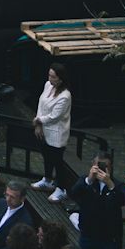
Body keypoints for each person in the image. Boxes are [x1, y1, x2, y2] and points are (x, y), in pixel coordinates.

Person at [66, 154, 125, 249]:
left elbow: (124, 200)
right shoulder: (86, 181)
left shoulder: (117, 185)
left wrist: (110, 185)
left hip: (109, 239)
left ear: (111, 168)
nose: (101, 168)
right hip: (88, 236)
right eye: (98, 165)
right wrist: (89, 180)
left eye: (105, 166)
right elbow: (73, 193)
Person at [32, 64, 73, 196]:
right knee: (46, 156)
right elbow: (41, 104)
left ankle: (61, 188)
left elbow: (55, 116)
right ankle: (48, 179)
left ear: (60, 79)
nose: (50, 78)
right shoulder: (48, 85)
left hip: (57, 133)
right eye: (49, 75)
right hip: (44, 129)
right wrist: (38, 123)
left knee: (57, 161)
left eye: (53, 77)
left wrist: (39, 120)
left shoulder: (65, 96)